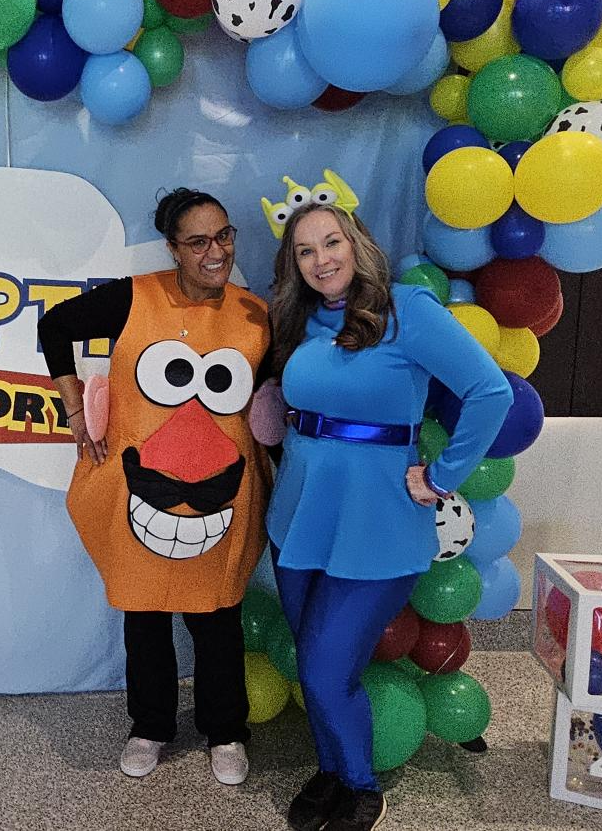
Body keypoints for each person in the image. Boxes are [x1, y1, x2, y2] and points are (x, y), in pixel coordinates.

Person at [265, 203, 512, 831]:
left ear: (357, 243)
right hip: (297, 517)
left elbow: (492, 392)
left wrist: (442, 476)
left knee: (326, 669)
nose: (322, 259)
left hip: (376, 524)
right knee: (313, 663)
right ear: (294, 264)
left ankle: (362, 787)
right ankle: (329, 771)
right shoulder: (298, 319)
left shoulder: (409, 310)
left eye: (332, 242)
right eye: (305, 250)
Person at [37, 189, 273, 785]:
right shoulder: (131, 297)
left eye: (224, 235)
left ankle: (226, 731)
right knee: (144, 614)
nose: (215, 251)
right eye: (198, 241)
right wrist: (73, 409)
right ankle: (150, 726)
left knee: (218, 615)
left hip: (223, 492)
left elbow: (272, 403)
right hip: (142, 488)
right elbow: (55, 326)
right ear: (173, 248)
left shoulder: (256, 316)